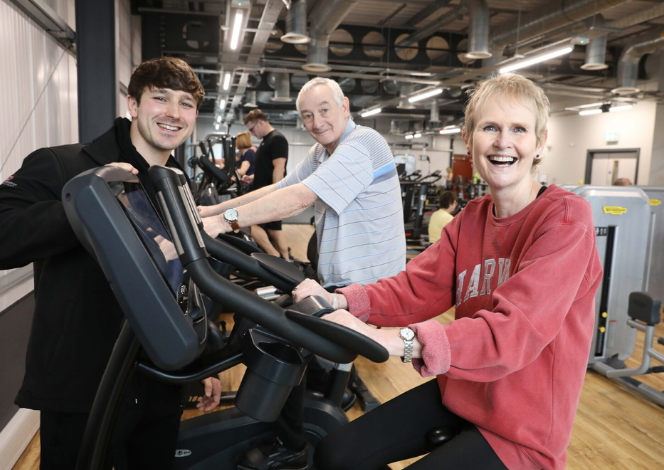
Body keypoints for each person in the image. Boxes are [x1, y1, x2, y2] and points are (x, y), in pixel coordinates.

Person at [293, 73, 603, 470]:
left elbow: (511, 334)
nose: (503, 142)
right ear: (469, 138)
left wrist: (382, 339)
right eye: (490, 127)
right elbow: (416, 288)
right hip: (463, 394)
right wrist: (341, 299)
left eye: (519, 130)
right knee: (336, 454)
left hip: (522, 432)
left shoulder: (564, 219)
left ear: (540, 143)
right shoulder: (471, 218)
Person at [0, 57, 221, 470]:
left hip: (159, 384)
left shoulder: (177, 183)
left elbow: (184, 281)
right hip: (85, 389)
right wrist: (92, 201)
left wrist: (200, 365)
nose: (174, 113)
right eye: (160, 98)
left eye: (186, 103)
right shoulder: (64, 165)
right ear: (133, 105)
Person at [199, 77, 406, 288]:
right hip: (339, 282)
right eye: (308, 116)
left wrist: (223, 222)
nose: (317, 123)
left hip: (372, 287)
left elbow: (299, 198)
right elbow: (279, 187)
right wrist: (212, 211)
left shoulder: (362, 143)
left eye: (324, 110)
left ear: (344, 107)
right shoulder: (320, 153)